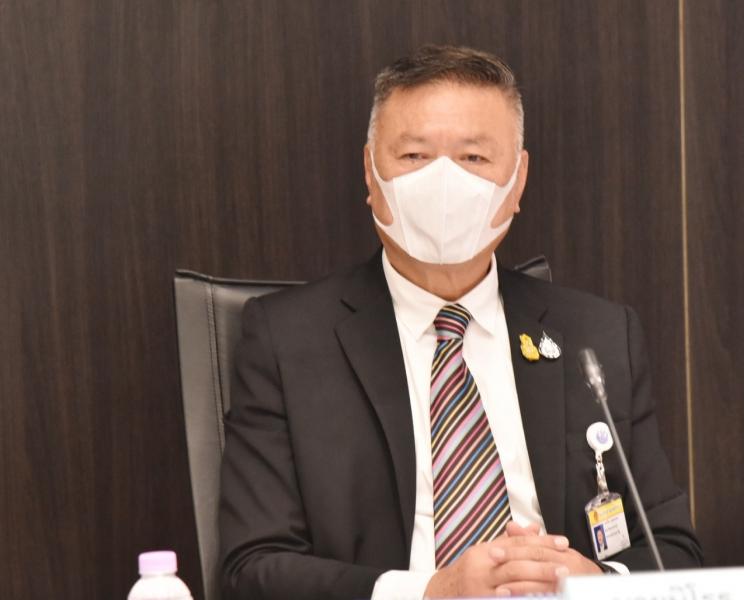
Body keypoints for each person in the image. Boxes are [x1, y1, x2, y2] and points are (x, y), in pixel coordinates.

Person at [219, 45, 702, 600]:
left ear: (517, 180)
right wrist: (429, 593)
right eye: (414, 156)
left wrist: (593, 584)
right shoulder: (286, 341)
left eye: (473, 158)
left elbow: (673, 548)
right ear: (370, 173)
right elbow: (252, 567)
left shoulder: (597, 335)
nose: (444, 184)